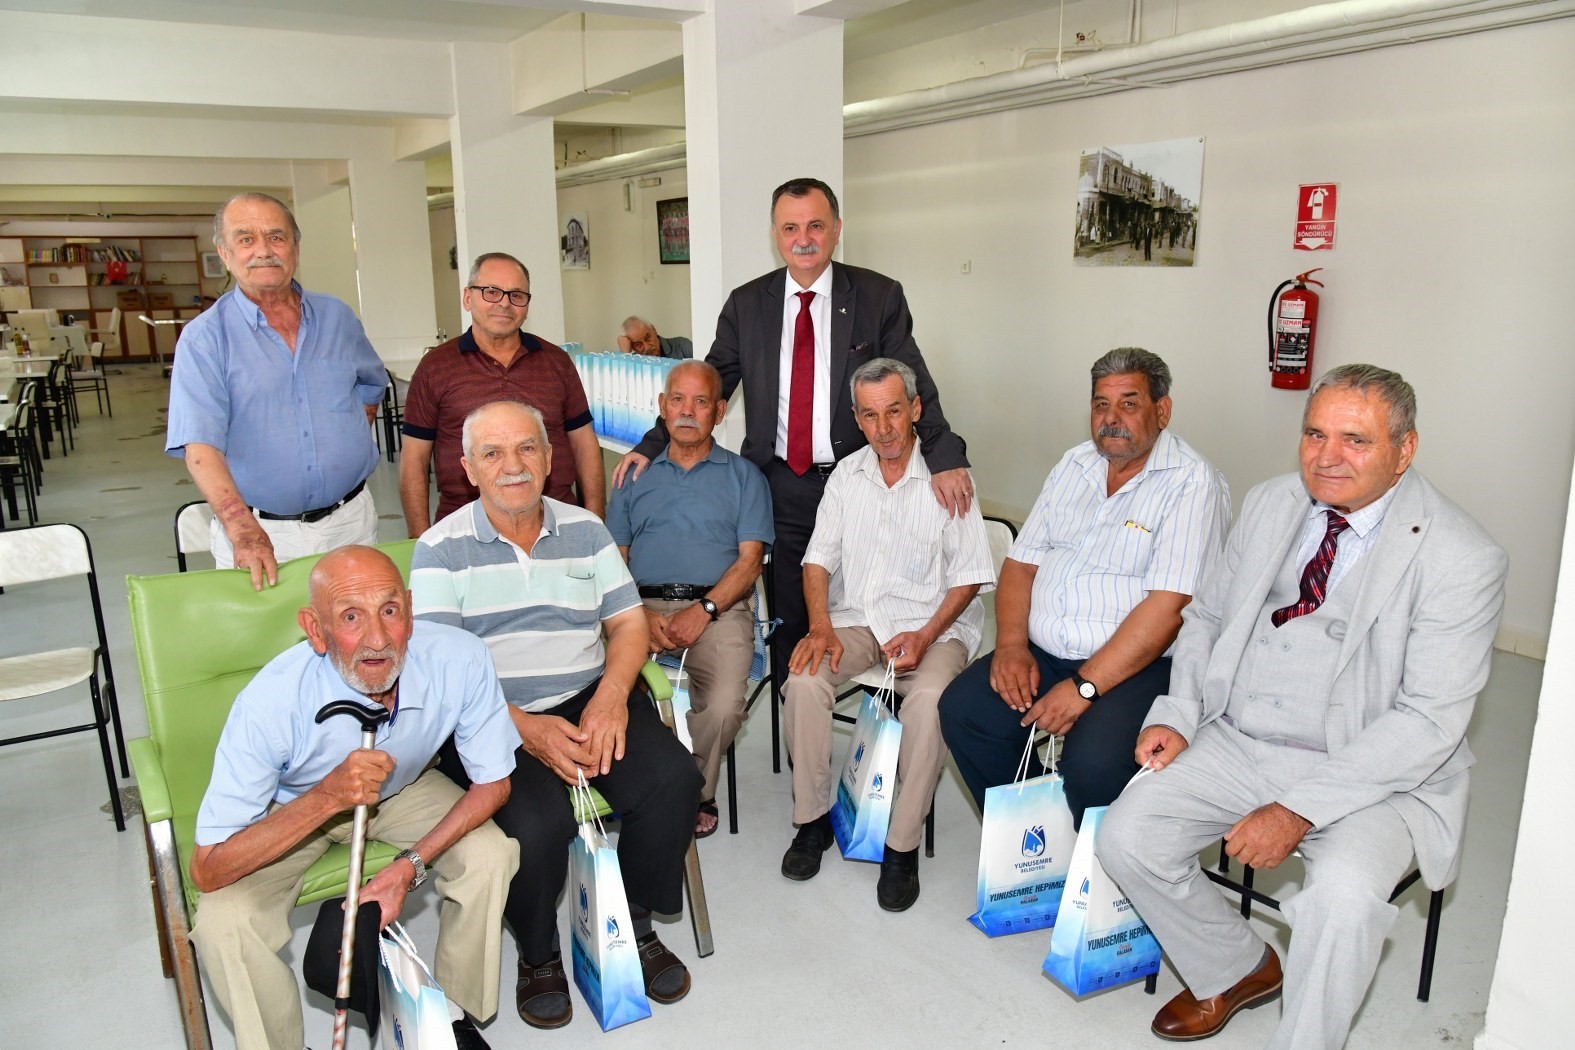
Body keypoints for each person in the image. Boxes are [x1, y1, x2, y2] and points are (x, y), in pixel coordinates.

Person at [1098, 365, 1508, 1049]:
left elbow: (1429, 721)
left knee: (1341, 901)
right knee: (1126, 835)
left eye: (1355, 441)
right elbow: (1206, 619)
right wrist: (1177, 711)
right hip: (1241, 734)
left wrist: (1297, 809)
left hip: (1371, 772)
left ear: (1403, 451)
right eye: (1314, 434)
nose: (1326, 457)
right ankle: (1237, 967)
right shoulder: (1268, 503)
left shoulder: (1461, 557)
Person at [613, 177, 974, 689]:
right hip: (782, 484)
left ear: (836, 230)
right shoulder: (747, 304)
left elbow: (912, 382)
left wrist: (945, 455)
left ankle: (884, 718)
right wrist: (653, 444)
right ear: (776, 235)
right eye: (790, 228)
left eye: (815, 226)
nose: (803, 238)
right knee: (790, 608)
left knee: (877, 596)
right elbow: (708, 386)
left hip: (859, 479)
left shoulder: (877, 296)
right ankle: (796, 704)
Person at [411, 400, 702, 1031]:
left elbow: (626, 624)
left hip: (587, 694)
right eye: (492, 453)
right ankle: (538, 953)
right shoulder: (438, 550)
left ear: (549, 458)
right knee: (536, 826)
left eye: (526, 449)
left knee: (674, 780)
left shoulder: (587, 530)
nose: (512, 465)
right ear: (466, 468)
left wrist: (610, 697)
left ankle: (631, 923)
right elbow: (442, 674)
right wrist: (526, 728)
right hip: (491, 714)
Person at [187, 546, 519, 1050]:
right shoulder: (269, 703)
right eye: (349, 617)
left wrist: (408, 867)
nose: (378, 639)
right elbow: (207, 869)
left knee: (490, 854)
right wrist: (325, 798)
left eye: (389, 611)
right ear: (315, 630)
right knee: (224, 923)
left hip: (401, 788)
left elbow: (494, 783)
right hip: (294, 808)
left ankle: (446, 1018)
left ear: (410, 608)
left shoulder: (460, 656)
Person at [938, 348, 1229, 826]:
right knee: (966, 710)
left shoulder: (1192, 484)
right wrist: (1011, 644)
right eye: (1100, 405)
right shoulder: (1075, 465)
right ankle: (1034, 844)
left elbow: (1168, 608)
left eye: (1129, 404)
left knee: (1094, 761)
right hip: (1045, 654)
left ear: (1163, 410)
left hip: (1140, 668)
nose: (1110, 419)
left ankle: (1095, 873)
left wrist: (1084, 687)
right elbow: (1021, 565)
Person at [780, 358, 995, 911]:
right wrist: (821, 627)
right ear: (856, 418)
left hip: (936, 626)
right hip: (858, 620)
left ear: (916, 409)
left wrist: (924, 636)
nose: (885, 428)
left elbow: (970, 576)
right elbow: (817, 562)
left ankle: (900, 845)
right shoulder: (847, 478)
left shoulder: (949, 480)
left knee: (928, 702)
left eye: (895, 411)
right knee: (803, 679)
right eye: (870, 415)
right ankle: (811, 821)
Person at [167, 192, 387, 591]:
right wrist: (242, 531)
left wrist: (343, 438)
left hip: (351, 520)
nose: (263, 250)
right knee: (272, 651)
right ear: (225, 253)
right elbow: (201, 450)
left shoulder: (337, 317)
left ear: (296, 249)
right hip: (263, 536)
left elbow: (370, 387)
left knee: (363, 643)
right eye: (246, 239)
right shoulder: (204, 339)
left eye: (276, 237)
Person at [605, 360, 773, 838]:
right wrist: (636, 614)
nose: (687, 411)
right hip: (637, 609)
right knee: (610, 695)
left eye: (701, 402)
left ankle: (692, 789)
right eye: (677, 399)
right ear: (662, 407)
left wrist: (706, 611)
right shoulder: (632, 477)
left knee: (723, 706)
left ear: (719, 412)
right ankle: (635, 785)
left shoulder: (745, 478)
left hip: (718, 610)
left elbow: (749, 563)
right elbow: (612, 559)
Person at [400, 252, 604, 536]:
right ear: (468, 298)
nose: (505, 303)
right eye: (491, 292)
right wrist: (418, 539)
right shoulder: (436, 367)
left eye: (517, 295)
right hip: (463, 530)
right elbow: (414, 459)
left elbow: (584, 445)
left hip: (555, 525)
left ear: (527, 305)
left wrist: (594, 523)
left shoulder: (555, 362)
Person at [618, 316, 693, 359]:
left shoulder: (681, 346)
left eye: (648, 338)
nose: (647, 347)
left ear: (654, 330)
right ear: (632, 347)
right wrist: (625, 354)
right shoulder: (633, 361)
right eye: (638, 344)